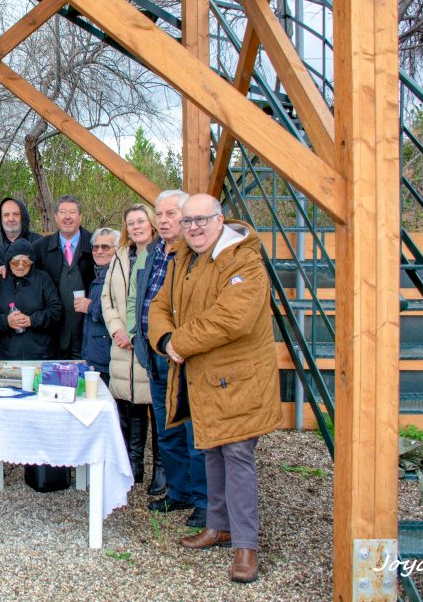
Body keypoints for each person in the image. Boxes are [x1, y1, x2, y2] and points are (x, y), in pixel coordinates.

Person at [148, 193, 281, 584]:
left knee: (237, 455)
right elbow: (159, 305)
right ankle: (218, 525)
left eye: (201, 220)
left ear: (220, 220)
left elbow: (232, 319)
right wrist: (165, 338)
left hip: (238, 380)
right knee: (212, 450)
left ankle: (246, 546)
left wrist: (178, 343)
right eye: (188, 222)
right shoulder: (184, 259)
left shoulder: (244, 261)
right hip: (203, 377)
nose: (194, 228)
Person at [136, 190, 208, 528]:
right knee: (167, 430)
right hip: (154, 354)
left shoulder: (196, 255)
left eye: (171, 214)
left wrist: (177, 343)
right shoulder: (154, 252)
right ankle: (178, 491)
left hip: (183, 357)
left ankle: (204, 500)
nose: (163, 220)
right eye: (159, 214)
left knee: (194, 432)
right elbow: (148, 302)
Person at [101, 205, 164, 493]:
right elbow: (107, 299)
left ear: (151, 224)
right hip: (121, 345)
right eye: (131, 222)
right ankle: (133, 464)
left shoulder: (162, 255)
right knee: (130, 404)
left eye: (141, 221)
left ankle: (161, 469)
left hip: (150, 343)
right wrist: (117, 329)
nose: (137, 226)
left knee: (157, 408)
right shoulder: (120, 256)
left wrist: (136, 332)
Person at [30, 195, 94, 358]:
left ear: (80, 217)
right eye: (63, 212)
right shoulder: (40, 248)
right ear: (56, 217)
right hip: (52, 335)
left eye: (72, 212)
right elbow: (20, 267)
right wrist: (3, 267)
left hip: (87, 332)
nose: (67, 217)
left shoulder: (96, 245)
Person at [0, 239, 63, 360]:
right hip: (8, 354)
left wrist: (32, 320)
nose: (20, 266)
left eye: (25, 262)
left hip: (41, 353)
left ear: (32, 262)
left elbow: (56, 311)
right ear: (8, 261)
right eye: (16, 262)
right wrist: (6, 321)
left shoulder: (43, 279)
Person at [80, 227, 119, 374]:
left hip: (108, 357)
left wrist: (91, 307)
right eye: (95, 247)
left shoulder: (120, 275)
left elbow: (123, 314)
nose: (99, 251)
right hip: (94, 356)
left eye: (105, 247)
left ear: (117, 249)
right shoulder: (99, 273)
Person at [0, 197, 42, 273]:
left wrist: (9, 267)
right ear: (1, 219)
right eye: (6, 215)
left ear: (23, 217)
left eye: (16, 214)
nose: (11, 219)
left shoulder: (40, 243)